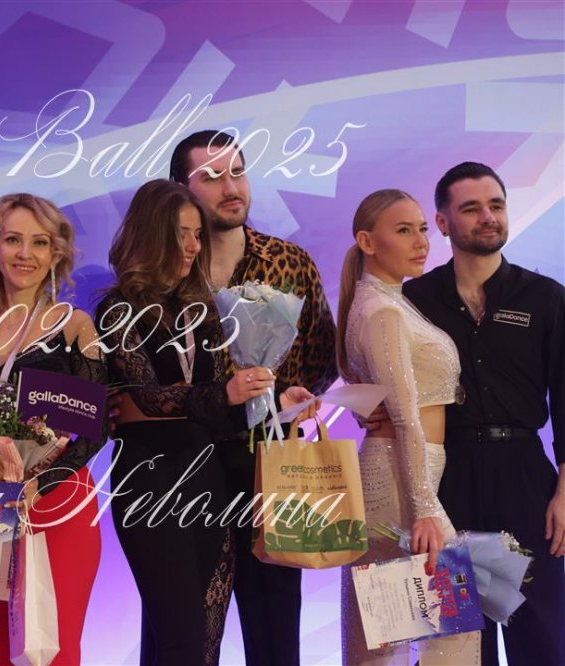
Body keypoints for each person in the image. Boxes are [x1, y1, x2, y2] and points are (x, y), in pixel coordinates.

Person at [96, 179, 314, 666]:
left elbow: (220, 404)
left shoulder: (203, 307)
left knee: (207, 640)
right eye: (182, 234)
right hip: (151, 481)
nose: (194, 246)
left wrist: (278, 402)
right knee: (181, 639)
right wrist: (222, 393)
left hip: (210, 478)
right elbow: (148, 396)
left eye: (197, 234)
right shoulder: (118, 308)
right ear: (152, 234)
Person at [169, 130, 338, 666]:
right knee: (184, 628)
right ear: (181, 189)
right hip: (186, 465)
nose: (230, 187)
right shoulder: (166, 272)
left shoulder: (288, 261)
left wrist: (288, 397)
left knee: (275, 624)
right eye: (212, 176)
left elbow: (321, 357)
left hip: (271, 465)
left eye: (237, 172)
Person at [401, 162, 563, 665]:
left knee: (542, 633)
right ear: (443, 222)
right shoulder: (415, 299)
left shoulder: (546, 297)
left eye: (496, 205)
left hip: (525, 480)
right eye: (471, 208)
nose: (488, 216)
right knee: (454, 643)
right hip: (445, 481)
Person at [0, 193, 106, 664]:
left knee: (55, 653)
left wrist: (39, 483)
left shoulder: (75, 327)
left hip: (58, 507)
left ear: (56, 253)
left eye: (39, 242)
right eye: (13, 240)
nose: (25, 254)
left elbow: (94, 430)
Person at [336, 189, 480, 664]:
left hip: (407, 480)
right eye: (403, 231)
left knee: (390, 637)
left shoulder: (387, 302)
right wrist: (424, 509)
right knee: (441, 634)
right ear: (367, 242)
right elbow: (403, 416)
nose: (421, 242)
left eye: (421, 229)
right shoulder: (382, 311)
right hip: (400, 487)